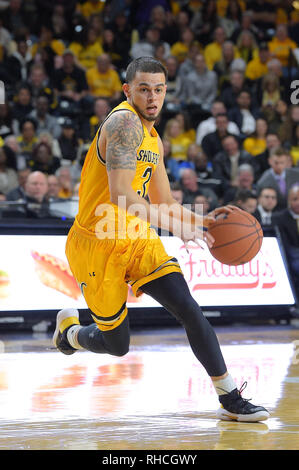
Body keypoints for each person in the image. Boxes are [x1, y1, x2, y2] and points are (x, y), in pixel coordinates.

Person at [52, 57, 269, 423]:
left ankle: (228, 395)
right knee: (117, 346)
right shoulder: (122, 123)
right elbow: (123, 194)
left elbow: (164, 201)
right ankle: (70, 335)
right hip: (97, 241)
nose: (152, 97)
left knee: (188, 307)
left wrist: (200, 220)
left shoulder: (153, 137)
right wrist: (176, 228)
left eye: (159, 89)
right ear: (127, 90)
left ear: (166, 91)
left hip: (137, 238)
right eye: (143, 89)